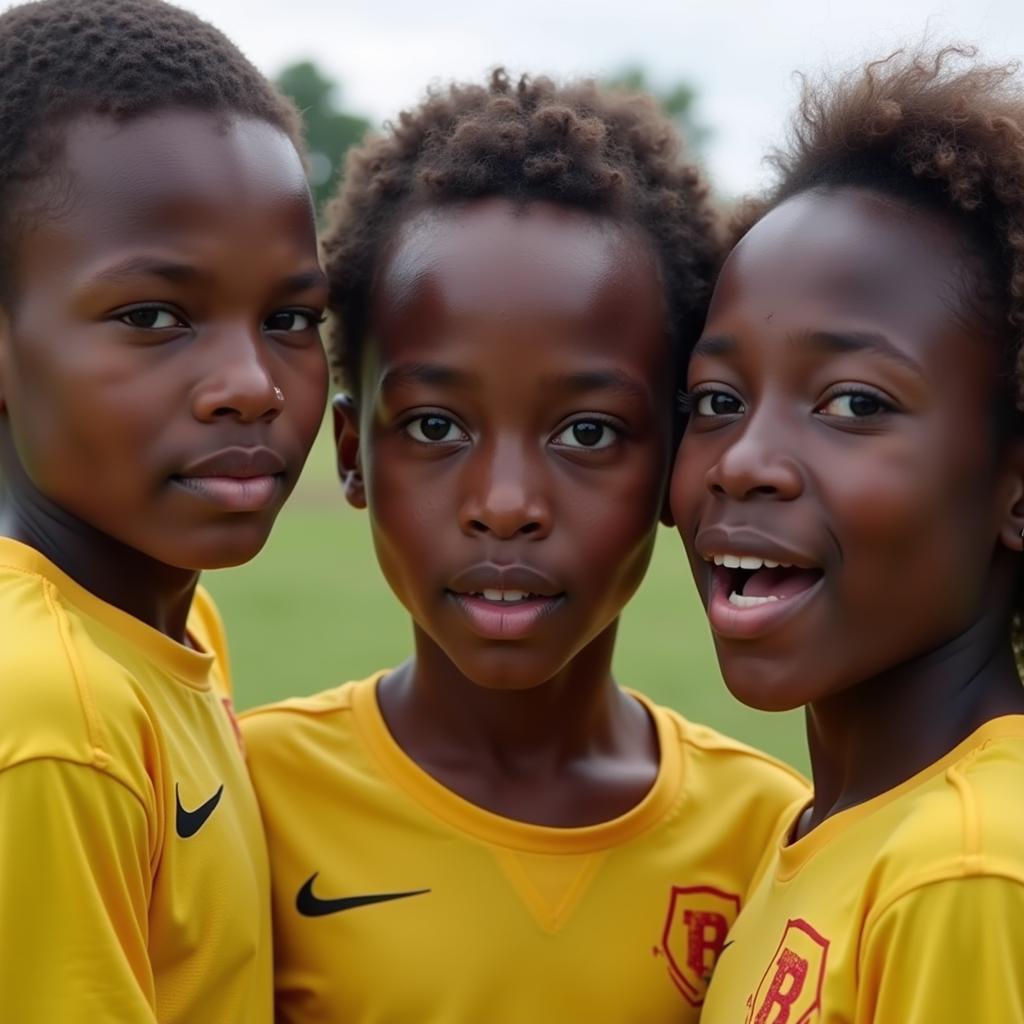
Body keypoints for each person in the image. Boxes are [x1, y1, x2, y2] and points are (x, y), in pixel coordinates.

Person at [240, 70, 808, 1024]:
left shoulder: (769, 838)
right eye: (433, 427)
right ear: (352, 455)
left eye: (586, 432)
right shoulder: (247, 801)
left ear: (675, 460)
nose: (505, 506)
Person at [672, 46, 1024, 1022]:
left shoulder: (965, 869)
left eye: (854, 402)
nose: (743, 459)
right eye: (715, 398)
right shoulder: (832, 833)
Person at [0, 1, 329, 1020]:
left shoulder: (163, 625)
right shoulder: (53, 713)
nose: (250, 383)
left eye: (290, 320)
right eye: (153, 316)